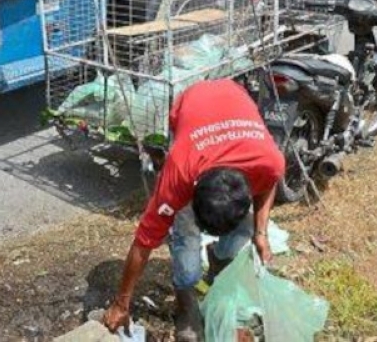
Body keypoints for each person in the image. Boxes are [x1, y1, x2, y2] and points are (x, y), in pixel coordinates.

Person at [103, 79, 286, 342]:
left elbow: (267, 185)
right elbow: (143, 243)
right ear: (193, 192)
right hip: (192, 102)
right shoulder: (180, 174)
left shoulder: (268, 161)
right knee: (186, 236)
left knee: (240, 239)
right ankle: (185, 299)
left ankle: (219, 263)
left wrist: (260, 232)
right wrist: (121, 304)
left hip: (235, 96)